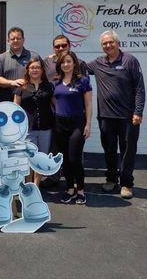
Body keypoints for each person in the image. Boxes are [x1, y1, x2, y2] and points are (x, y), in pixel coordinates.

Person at [86, 30, 145, 200]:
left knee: (128, 151)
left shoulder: (130, 61)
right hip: (106, 117)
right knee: (109, 150)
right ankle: (111, 179)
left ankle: (126, 184)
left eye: (111, 42)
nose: (108, 45)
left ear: (118, 43)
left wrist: (138, 111)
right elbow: (77, 65)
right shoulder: (98, 63)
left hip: (128, 117)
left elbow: (140, 88)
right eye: (104, 43)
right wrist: (60, 54)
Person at [41, 34, 86, 189]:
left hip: (74, 116)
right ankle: (54, 177)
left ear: (69, 46)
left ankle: (76, 184)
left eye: (63, 45)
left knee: (74, 154)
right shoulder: (46, 62)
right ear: (53, 48)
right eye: (57, 46)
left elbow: (84, 92)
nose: (60, 48)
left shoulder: (79, 64)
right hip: (53, 114)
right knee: (56, 149)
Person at [54, 50, 92, 205]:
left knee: (75, 158)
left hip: (77, 123)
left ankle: (81, 190)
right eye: (63, 62)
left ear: (74, 63)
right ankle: (70, 189)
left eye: (69, 61)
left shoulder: (82, 81)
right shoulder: (56, 82)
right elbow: (55, 101)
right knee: (65, 159)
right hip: (60, 123)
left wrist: (88, 124)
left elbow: (88, 104)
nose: (66, 64)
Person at [14, 56, 54, 187]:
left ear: (42, 70)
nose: (35, 70)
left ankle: (35, 186)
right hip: (27, 130)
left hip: (45, 128)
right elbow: (16, 110)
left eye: (37, 67)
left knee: (41, 159)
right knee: (27, 159)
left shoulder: (49, 87)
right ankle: (27, 186)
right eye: (32, 67)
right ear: (28, 70)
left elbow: (56, 105)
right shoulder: (21, 87)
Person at [0, 27, 39, 102]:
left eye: (18, 38)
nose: (15, 41)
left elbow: (42, 75)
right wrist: (11, 82)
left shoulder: (34, 57)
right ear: (8, 41)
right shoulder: (1, 58)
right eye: (12, 39)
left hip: (30, 101)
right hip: (7, 100)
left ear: (23, 40)